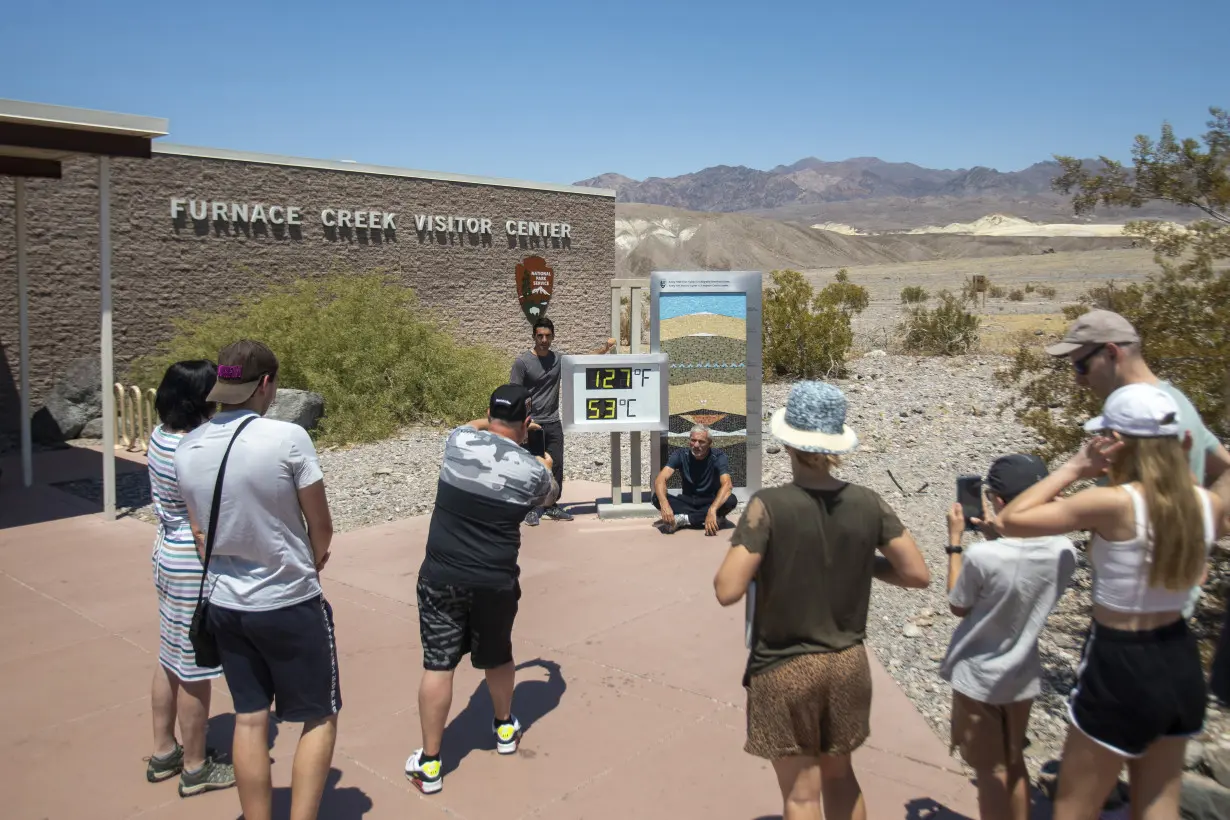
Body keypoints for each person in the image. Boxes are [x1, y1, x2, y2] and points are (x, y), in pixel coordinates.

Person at [997, 383, 1225, 820]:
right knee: (1159, 803)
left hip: (1120, 661)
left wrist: (1074, 467)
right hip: (1179, 656)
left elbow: (1011, 520)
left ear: (1117, 444)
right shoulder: (1207, 505)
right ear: (1182, 441)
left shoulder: (1110, 503)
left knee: (1074, 807)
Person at [712, 382, 931, 820]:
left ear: (787, 441)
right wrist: (856, 561)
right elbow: (916, 574)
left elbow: (727, 589)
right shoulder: (870, 503)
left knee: (801, 795)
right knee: (841, 778)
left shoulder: (768, 506)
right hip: (848, 664)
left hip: (784, 665)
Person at [175, 340, 339, 820]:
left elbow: (200, 533)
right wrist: (311, 557)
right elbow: (321, 527)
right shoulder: (287, 438)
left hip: (226, 603)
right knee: (319, 715)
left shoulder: (188, 447)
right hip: (288, 599)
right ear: (265, 384)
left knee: (250, 718)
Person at [405, 384, 559, 795]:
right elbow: (548, 496)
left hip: (441, 577)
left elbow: (470, 425)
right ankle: (505, 728)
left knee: (438, 665)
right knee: (498, 655)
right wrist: (539, 457)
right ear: (526, 423)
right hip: (495, 581)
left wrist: (490, 422)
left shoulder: (459, 442)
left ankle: (431, 763)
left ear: (490, 415)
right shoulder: (533, 471)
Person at [940, 454, 1077, 820]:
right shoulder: (1064, 551)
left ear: (998, 501)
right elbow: (1021, 566)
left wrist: (955, 543)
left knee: (990, 772)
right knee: (1015, 761)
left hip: (980, 677)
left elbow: (958, 603)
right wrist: (999, 529)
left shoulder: (984, 556)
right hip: (1023, 671)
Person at [144, 360, 236, 797]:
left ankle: (164, 751)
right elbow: (203, 525)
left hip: (165, 554)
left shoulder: (159, 436)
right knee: (196, 668)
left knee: (169, 658)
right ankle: (196, 766)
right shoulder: (195, 448)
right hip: (191, 565)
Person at [509, 316, 615, 525]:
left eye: (548, 336)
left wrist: (604, 348)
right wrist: (523, 423)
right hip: (531, 424)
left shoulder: (557, 360)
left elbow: (582, 360)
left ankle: (551, 506)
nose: (544, 340)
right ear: (533, 337)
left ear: (553, 337)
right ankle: (532, 508)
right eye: (540, 336)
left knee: (556, 465)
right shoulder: (522, 362)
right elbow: (514, 394)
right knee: (533, 465)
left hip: (553, 422)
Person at [652, 424, 738, 535]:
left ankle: (684, 519)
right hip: (687, 501)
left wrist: (712, 509)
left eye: (701, 442)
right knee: (656, 497)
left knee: (731, 500)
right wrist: (664, 504)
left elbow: (727, 484)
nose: (696, 445)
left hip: (709, 501)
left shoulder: (719, 457)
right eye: (693, 440)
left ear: (709, 443)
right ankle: (710, 518)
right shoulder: (680, 454)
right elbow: (660, 479)